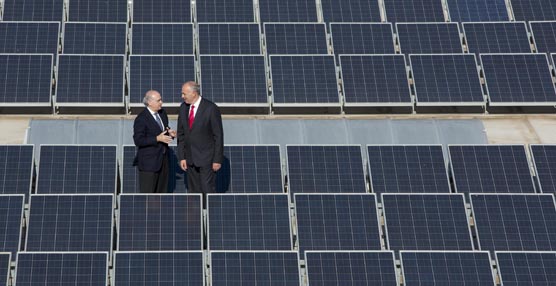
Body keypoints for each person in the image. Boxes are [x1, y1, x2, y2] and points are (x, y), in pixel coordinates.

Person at [177, 81, 224, 204]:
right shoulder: (183, 108)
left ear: (194, 93)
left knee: (207, 190)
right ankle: (197, 218)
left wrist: (217, 160)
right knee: (194, 193)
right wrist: (182, 157)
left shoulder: (210, 108)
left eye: (184, 93)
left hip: (207, 159)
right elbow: (181, 135)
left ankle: (210, 215)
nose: (182, 96)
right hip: (190, 159)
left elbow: (218, 136)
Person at [133, 90, 176, 193]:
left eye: (161, 99)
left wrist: (170, 133)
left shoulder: (162, 113)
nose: (161, 102)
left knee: (162, 194)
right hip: (149, 164)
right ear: (149, 102)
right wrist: (157, 139)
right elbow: (138, 140)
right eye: (158, 100)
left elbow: (163, 130)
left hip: (163, 161)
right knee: (149, 195)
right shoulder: (141, 118)